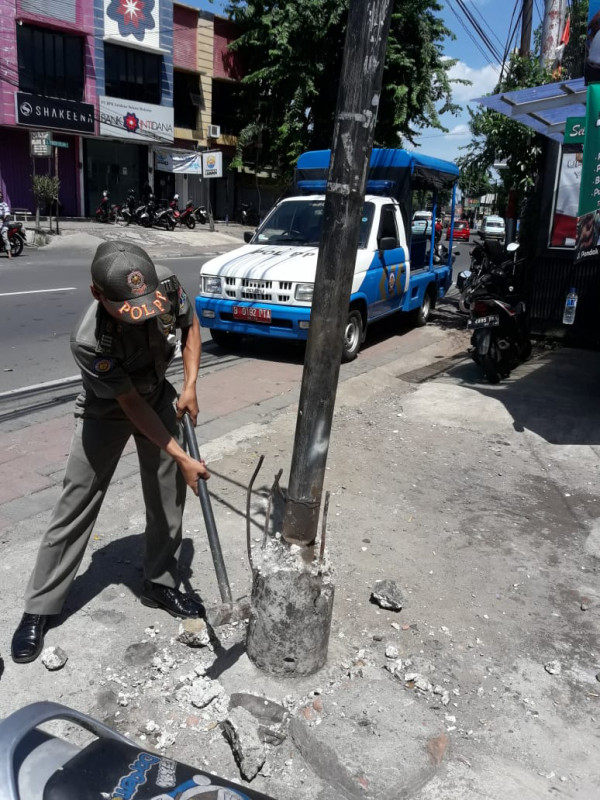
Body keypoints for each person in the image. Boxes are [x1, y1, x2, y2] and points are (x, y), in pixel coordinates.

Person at [11, 241, 210, 664]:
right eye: (128, 309)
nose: (141, 315)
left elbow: (190, 326)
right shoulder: (89, 340)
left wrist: (190, 383)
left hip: (157, 393)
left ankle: (159, 582)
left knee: (167, 495)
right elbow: (130, 406)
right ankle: (40, 607)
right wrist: (181, 454)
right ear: (97, 295)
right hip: (109, 407)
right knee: (78, 499)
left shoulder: (168, 288)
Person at [0, 190, 12, 259]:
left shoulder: (4, 204)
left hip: (3, 223)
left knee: (5, 238)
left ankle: (9, 253)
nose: (0, 197)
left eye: (1, 196)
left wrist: (4, 217)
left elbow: (7, 212)